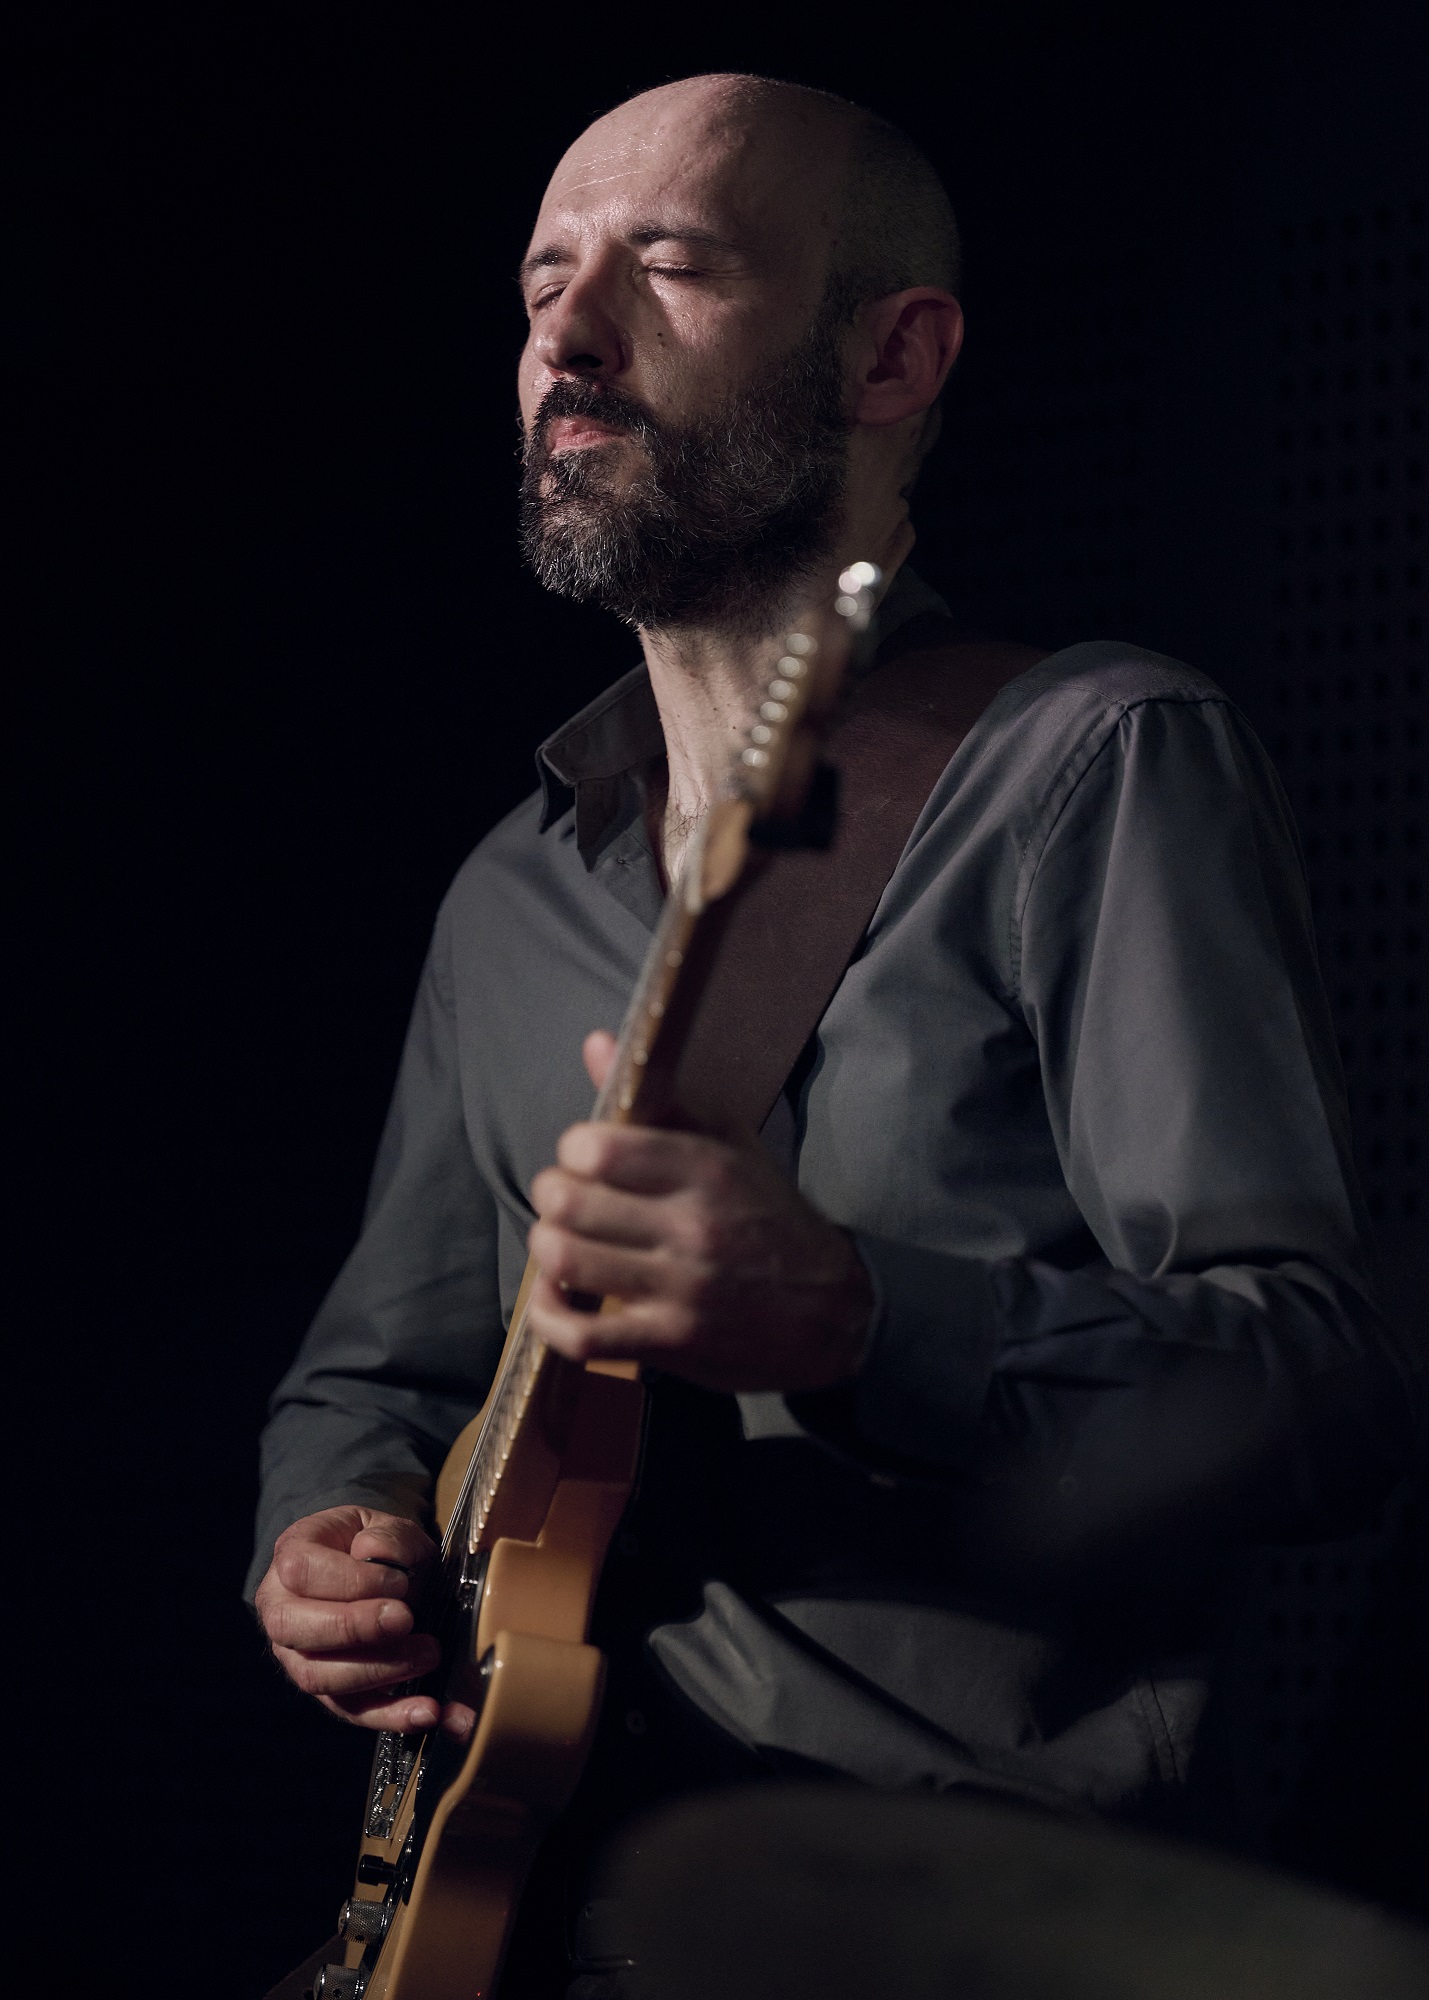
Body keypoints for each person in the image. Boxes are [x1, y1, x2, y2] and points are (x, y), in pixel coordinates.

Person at [250, 71, 1414, 1988]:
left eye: (669, 266)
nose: (566, 335)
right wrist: (330, 1531)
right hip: (533, 1902)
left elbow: (1323, 1390)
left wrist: (866, 1320)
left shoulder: (1092, 762)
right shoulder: (509, 893)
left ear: (894, 357)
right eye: (541, 282)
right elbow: (376, 1371)